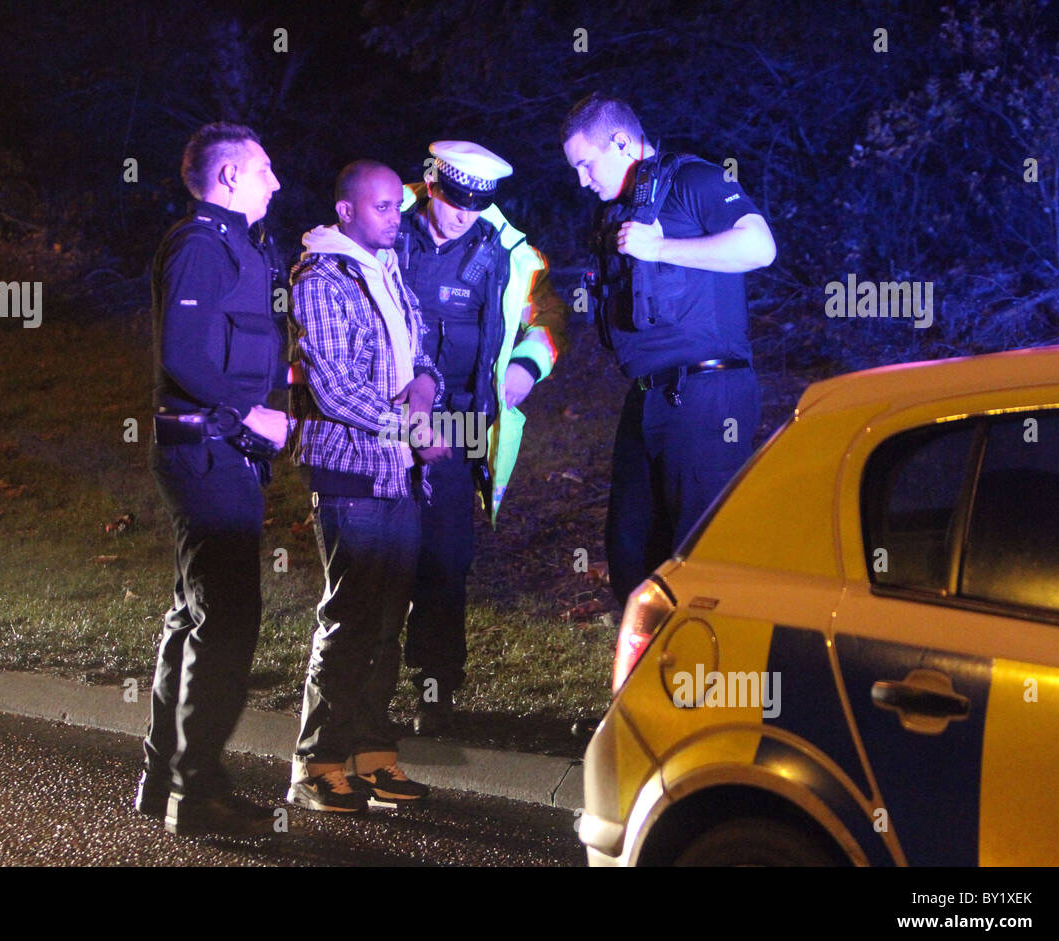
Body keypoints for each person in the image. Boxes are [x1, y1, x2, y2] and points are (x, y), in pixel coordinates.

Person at [561, 93, 776, 607]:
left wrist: (658, 248)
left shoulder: (695, 180)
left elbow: (759, 247)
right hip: (647, 397)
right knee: (631, 551)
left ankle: (714, 681)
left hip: (707, 394)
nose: (582, 180)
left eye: (586, 164)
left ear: (620, 142)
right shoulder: (616, 212)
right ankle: (657, 676)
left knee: (703, 553)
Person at [135, 121, 288, 837]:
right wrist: (250, 418)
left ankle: (163, 777)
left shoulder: (236, 245)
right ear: (229, 178)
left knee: (193, 616)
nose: (277, 182)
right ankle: (197, 794)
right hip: (205, 454)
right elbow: (185, 357)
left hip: (216, 453)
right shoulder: (201, 245)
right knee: (227, 620)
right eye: (263, 169)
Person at [286, 160, 449, 812]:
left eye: (397, 205)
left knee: (388, 621)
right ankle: (317, 761)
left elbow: (420, 352)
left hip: (396, 473)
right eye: (382, 206)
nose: (396, 215)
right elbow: (332, 386)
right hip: (351, 470)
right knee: (350, 619)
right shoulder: (320, 278)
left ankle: (371, 753)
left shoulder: (388, 270)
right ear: (347, 212)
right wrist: (408, 430)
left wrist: (427, 387)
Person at [396, 141, 566, 735]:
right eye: (455, 201)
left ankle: (435, 692)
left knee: (445, 560)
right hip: (384, 418)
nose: (465, 214)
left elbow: (548, 317)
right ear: (431, 184)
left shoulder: (508, 251)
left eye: (478, 204)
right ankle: (356, 688)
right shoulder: (384, 225)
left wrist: (526, 364)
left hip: (460, 420)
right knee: (376, 558)